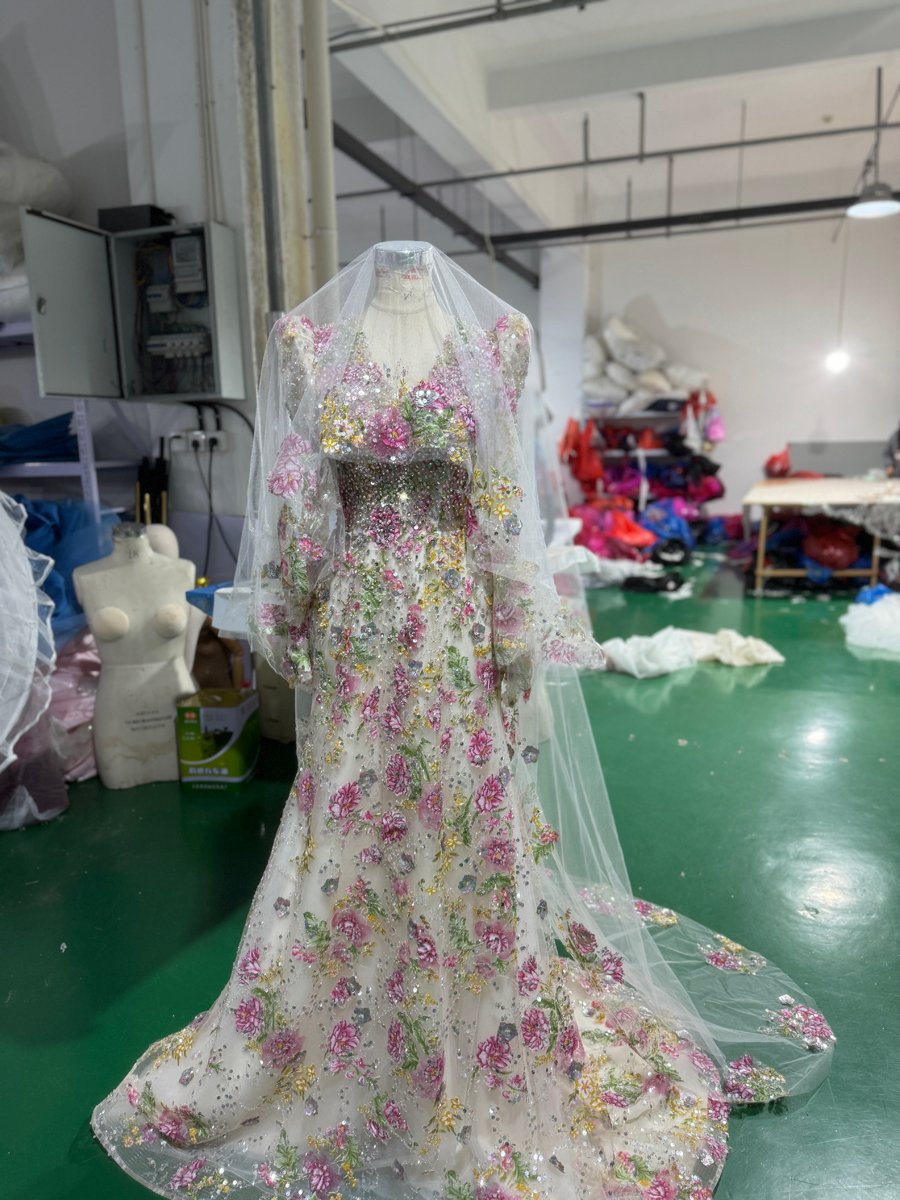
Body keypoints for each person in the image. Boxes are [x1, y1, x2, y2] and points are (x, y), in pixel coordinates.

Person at [91, 243, 833, 1200]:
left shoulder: (499, 342)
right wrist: (294, 607)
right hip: (375, 627)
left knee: (449, 811)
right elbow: (304, 499)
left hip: (441, 627)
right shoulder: (310, 345)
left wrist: (509, 627)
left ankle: (469, 1034)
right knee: (355, 813)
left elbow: (496, 500)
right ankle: (354, 1030)